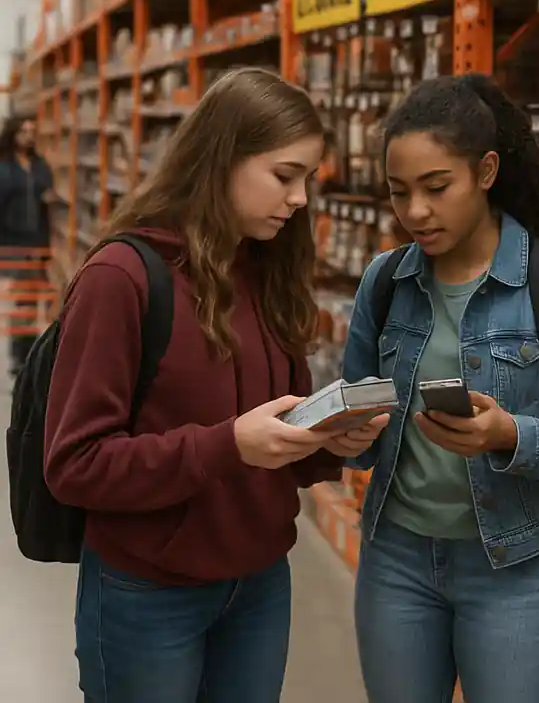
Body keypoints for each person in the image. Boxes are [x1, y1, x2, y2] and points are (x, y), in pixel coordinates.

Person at [42, 67, 390, 703]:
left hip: (259, 585)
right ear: (222, 158)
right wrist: (226, 446)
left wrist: (327, 440)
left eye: (308, 179)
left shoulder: (266, 272)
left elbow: (276, 440)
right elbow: (74, 464)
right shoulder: (122, 278)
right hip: (147, 592)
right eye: (284, 176)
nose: (300, 200)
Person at [344, 74, 539, 703]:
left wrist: (510, 434)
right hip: (397, 560)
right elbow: (359, 428)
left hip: (519, 568)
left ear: (486, 171)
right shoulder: (386, 282)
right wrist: (341, 431)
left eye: (436, 187)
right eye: (399, 192)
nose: (415, 211)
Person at [0, 114, 54, 375]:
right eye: (23, 131)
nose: (29, 136)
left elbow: (48, 191)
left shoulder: (39, 165)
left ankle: (22, 353)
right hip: (13, 241)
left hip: (37, 241)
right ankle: (23, 356)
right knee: (25, 299)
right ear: (13, 135)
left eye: (32, 130)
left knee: (29, 299)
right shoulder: (4, 167)